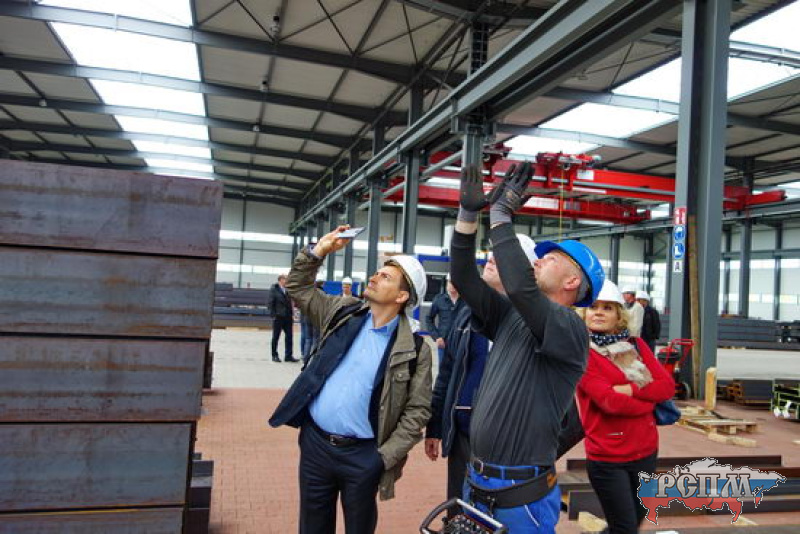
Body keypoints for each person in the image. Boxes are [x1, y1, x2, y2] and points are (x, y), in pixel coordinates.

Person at [451, 162, 605, 532]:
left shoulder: (571, 330)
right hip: (477, 483)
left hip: (521, 497)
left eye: (549, 259)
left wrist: (501, 215)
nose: (538, 260)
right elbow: (463, 278)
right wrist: (468, 217)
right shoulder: (510, 316)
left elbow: (521, 287)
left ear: (572, 281)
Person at [269, 225, 433, 534]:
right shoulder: (342, 312)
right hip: (316, 445)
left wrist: (383, 458)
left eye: (386, 277)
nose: (374, 277)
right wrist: (319, 251)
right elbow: (298, 288)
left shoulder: (415, 349)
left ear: (401, 296)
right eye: (377, 272)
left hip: (363, 456)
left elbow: (418, 411)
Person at [424, 235, 537, 502]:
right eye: (492, 253)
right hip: (463, 437)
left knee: (500, 514)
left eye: (504, 254)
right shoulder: (466, 315)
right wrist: (435, 426)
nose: (492, 258)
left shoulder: (535, 323)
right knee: (459, 511)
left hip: (509, 447)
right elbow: (447, 373)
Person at [577, 280, 675, 534]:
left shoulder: (636, 346)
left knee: (632, 522)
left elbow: (666, 387)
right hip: (609, 457)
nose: (599, 312)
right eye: (594, 307)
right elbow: (609, 402)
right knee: (625, 527)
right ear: (584, 312)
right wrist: (649, 401)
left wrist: (631, 390)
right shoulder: (582, 353)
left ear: (619, 315)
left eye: (607, 308)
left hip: (645, 451)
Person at [426, 277, 465, 361]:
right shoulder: (439, 299)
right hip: (444, 343)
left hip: (461, 343)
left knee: (460, 368)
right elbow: (428, 319)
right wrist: (437, 337)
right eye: (450, 282)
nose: (452, 285)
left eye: (454, 282)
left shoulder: (466, 301)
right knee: (443, 368)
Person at [268, 274, 298, 363]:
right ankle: (274, 355)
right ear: (280, 280)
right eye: (286, 279)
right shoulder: (274, 289)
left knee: (289, 336)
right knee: (276, 337)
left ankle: (288, 356)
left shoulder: (288, 290)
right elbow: (270, 303)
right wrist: (273, 315)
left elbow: (290, 303)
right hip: (278, 317)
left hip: (287, 317)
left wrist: (292, 314)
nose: (287, 281)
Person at [300, 281, 325, 363]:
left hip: (307, 318)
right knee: (316, 339)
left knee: (308, 339)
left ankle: (305, 358)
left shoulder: (307, 293)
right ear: (322, 284)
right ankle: (314, 359)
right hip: (316, 318)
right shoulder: (322, 294)